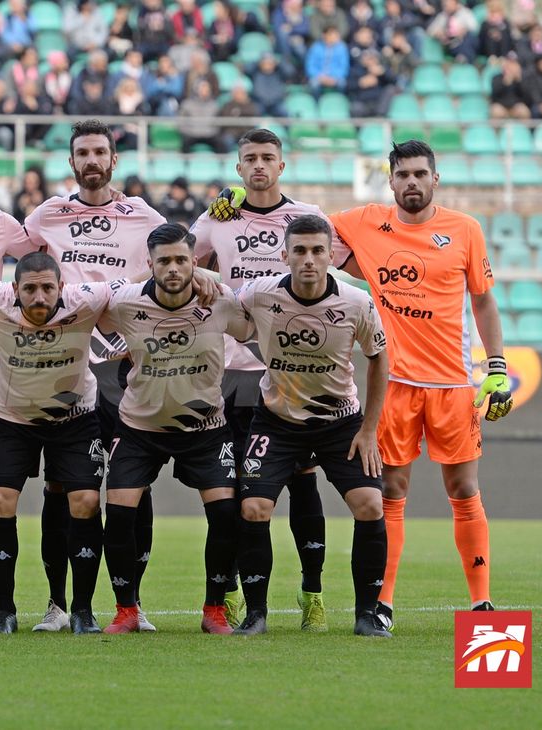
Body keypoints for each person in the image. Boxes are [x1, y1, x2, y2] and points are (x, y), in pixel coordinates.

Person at [330, 140, 512, 628]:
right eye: (402, 174)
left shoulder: (465, 229)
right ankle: (383, 604)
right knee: (391, 489)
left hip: (453, 384)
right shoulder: (365, 222)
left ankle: (482, 604)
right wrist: (239, 201)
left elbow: (484, 302)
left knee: (464, 487)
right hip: (393, 383)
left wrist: (496, 366)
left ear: (435, 178)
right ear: (390, 181)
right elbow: (300, 222)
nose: (411, 182)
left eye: (419, 173)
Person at [193, 128, 348, 631]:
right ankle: (234, 593)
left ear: (282, 165)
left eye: (267, 158)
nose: (259, 166)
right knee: (238, 489)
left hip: (293, 372)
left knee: (304, 483)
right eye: (250, 159)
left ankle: (312, 593)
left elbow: (341, 263)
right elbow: (179, 264)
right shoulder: (217, 219)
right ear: (238, 168)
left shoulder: (307, 218)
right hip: (230, 373)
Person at [24, 119, 168, 632]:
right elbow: (15, 267)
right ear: (71, 162)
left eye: (99, 152)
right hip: (66, 367)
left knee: (134, 487)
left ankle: (132, 603)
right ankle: (58, 604)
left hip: (126, 368)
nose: (91, 160)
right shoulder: (46, 215)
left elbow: (179, 260)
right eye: (82, 153)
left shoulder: (144, 215)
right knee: (61, 487)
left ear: (113, 160)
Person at [232, 214, 391, 638]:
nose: (308, 259)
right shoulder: (260, 292)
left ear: (330, 256)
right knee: (253, 508)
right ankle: (256, 614)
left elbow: (379, 359)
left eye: (318, 251)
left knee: (370, 505)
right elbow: (224, 302)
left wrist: (369, 429)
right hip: (277, 421)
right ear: (284, 255)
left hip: (340, 423)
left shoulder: (356, 302)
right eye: (299, 251)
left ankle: (367, 615)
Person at [97, 223, 249, 634]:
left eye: (182, 260)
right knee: (119, 513)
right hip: (139, 427)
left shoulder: (219, 301)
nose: (173, 268)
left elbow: (252, 325)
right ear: (150, 265)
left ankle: (214, 610)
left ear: (194, 262)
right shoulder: (126, 303)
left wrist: (213, 278)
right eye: (163, 261)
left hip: (206, 428)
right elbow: (91, 306)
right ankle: (126, 610)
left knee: (225, 514)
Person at [0, 252, 119, 634]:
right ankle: (4, 610)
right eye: (29, 289)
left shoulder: (86, 298)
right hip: (13, 421)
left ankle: (82, 610)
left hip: (75, 420)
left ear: (62, 287)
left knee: (86, 501)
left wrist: (200, 275)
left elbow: (140, 284)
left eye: (48, 288)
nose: (39, 297)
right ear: (14, 289)